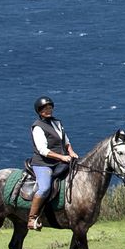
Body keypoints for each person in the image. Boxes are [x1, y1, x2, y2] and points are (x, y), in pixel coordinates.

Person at [28, 96, 78, 231]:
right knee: (44, 188)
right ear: (39, 111)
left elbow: (66, 140)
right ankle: (32, 219)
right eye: (45, 108)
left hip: (60, 161)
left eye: (50, 108)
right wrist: (62, 157)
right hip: (44, 163)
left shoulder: (57, 122)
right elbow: (43, 150)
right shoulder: (37, 127)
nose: (48, 110)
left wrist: (71, 152)